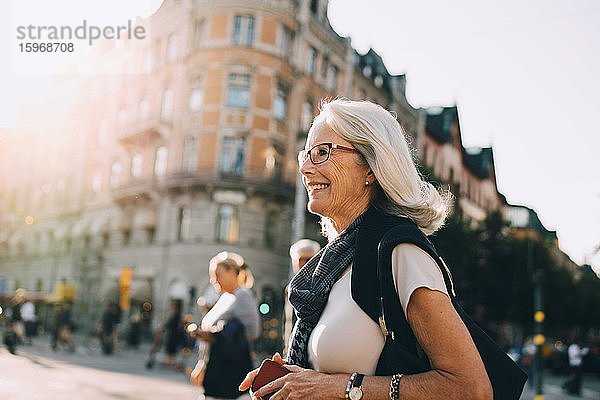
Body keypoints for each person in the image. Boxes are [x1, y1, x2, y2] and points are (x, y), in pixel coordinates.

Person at [240, 99, 492, 399]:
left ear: (371, 167)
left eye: (322, 153)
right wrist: (295, 379)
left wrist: (343, 386)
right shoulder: (333, 262)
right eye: (305, 155)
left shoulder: (401, 253)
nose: (305, 168)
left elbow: (471, 388)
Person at [190, 251, 260, 399]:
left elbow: (252, 332)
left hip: (229, 371)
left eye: (217, 275)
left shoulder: (243, 296)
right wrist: (202, 364)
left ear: (232, 272)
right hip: (215, 367)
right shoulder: (225, 297)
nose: (213, 280)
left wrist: (219, 336)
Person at [283, 239, 321, 354]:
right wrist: (286, 349)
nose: (304, 264)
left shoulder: (322, 286)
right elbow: (287, 322)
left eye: (308, 259)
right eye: (300, 260)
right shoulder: (289, 288)